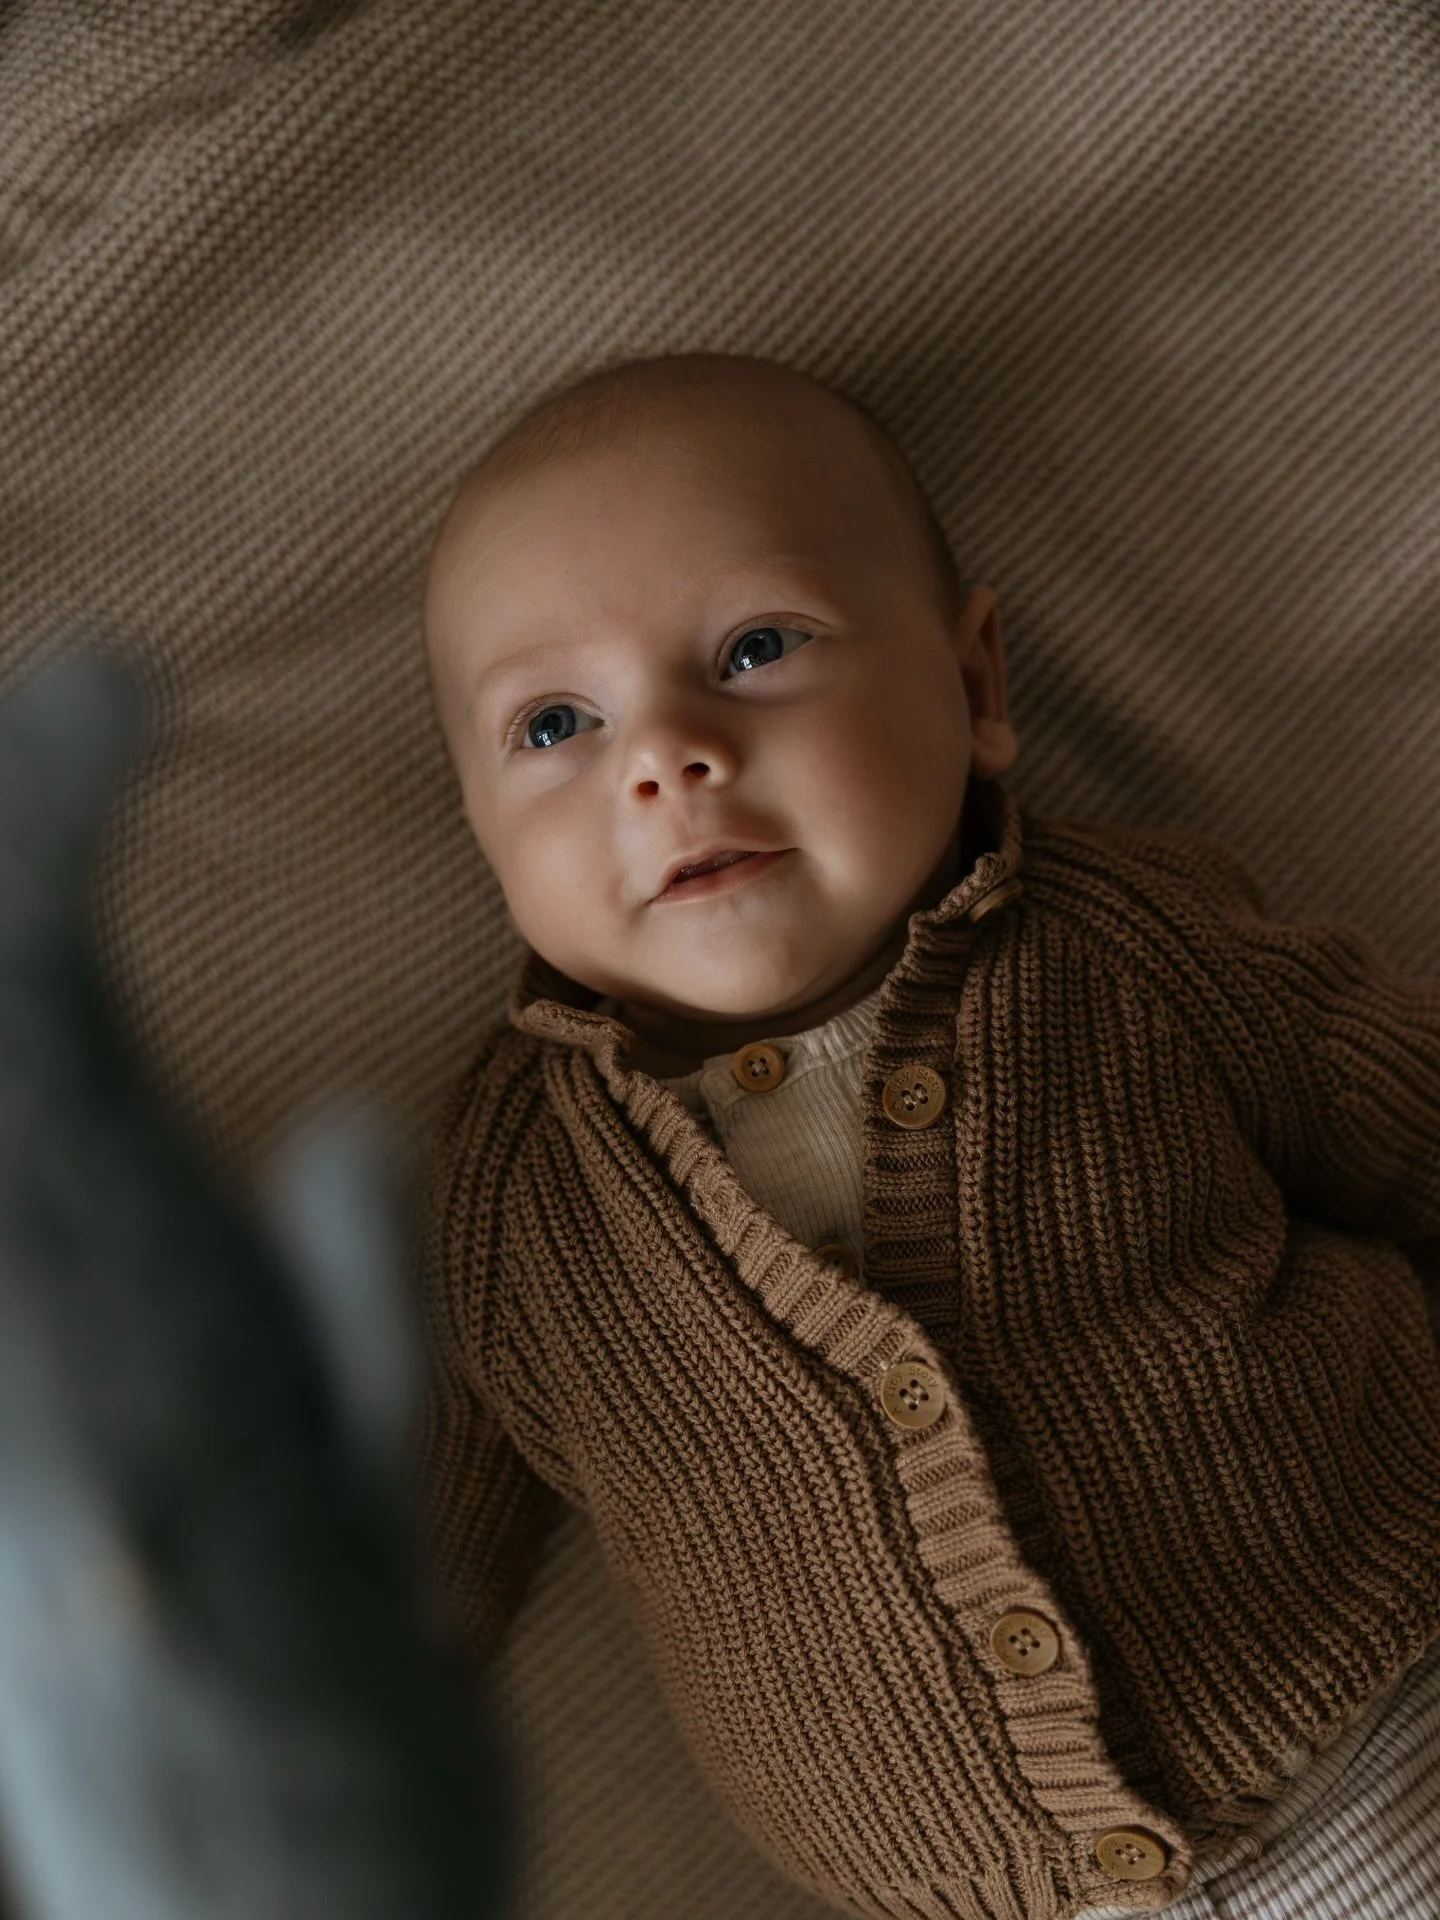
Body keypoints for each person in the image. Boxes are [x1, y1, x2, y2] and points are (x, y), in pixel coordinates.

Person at [415, 350, 1440, 1920]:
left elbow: (1400, 1098)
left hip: (1395, 1692)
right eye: (555, 723)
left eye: (757, 647)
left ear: (977, 689)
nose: (664, 756)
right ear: (482, 832)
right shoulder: (519, 1195)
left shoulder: (1122, 950)